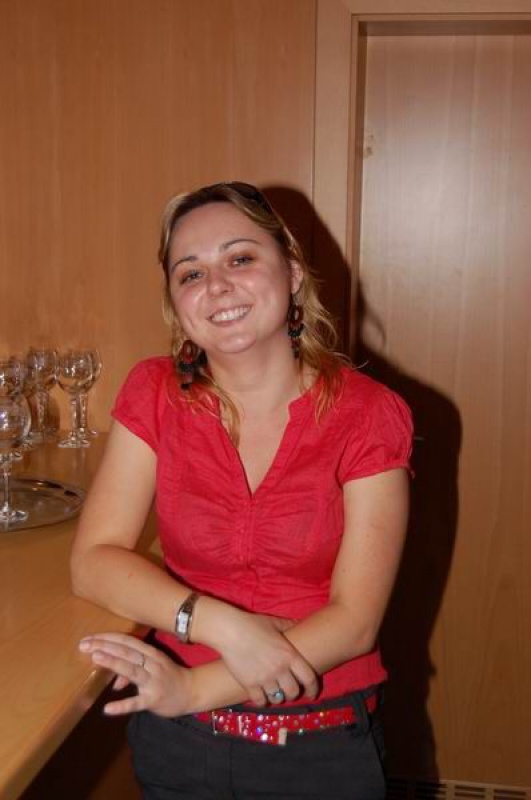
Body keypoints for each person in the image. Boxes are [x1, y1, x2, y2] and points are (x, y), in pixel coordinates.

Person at [72, 181, 413, 800]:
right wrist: (226, 627)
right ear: (176, 304)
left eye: (240, 258)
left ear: (293, 273)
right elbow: (93, 561)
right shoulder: (154, 392)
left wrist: (195, 688)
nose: (217, 286)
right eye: (191, 273)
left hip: (320, 745)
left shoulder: (369, 414)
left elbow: (355, 623)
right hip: (179, 745)